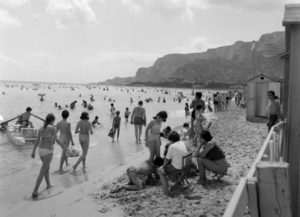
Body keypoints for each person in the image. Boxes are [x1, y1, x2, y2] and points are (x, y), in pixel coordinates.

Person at [31, 113, 66, 198]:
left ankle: (48, 184)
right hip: (48, 151)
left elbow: (37, 141)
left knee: (47, 168)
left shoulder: (40, 128)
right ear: (52, 120)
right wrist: (63, 146)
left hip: (40, 151)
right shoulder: (52, 128)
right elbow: (56, 140)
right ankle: (35, 190)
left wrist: (33, 152)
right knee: (43, 170)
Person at [157, 131, 188, 196]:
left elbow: (167, 159)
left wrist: (162, 167)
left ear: (171, 140)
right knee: (172, 163)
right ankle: (179, 181)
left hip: (176, 168)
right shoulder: (183, 143)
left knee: (159, 171)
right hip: (184, 166)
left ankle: (166, 191)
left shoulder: (172, 146)